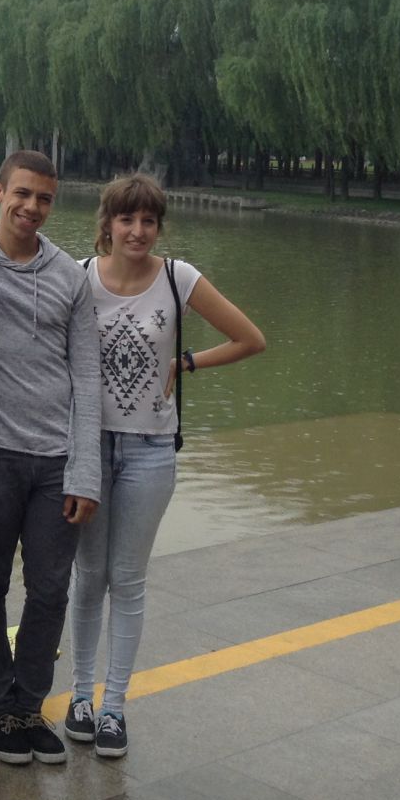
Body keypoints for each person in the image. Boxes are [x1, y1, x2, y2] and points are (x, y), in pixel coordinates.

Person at [64, 172, 264, 758]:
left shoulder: (179, 278)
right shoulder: (78, 276)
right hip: (88, 447)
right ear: (107, 224)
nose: (138, 231)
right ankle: (79, 696)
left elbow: (250, 338)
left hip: (150, 451)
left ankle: (114, 707)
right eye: (126, 219)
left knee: (127, 579)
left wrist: (186, 362)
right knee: (88, 575)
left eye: (148, 221)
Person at [0, 150, 101, 767]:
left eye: (44, 198)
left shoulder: (71, 276)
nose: (31, 207)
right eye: (21, 194)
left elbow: (87, 378)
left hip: (55, 462)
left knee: (48, 590)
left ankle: (30, 703)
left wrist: (86, 471)